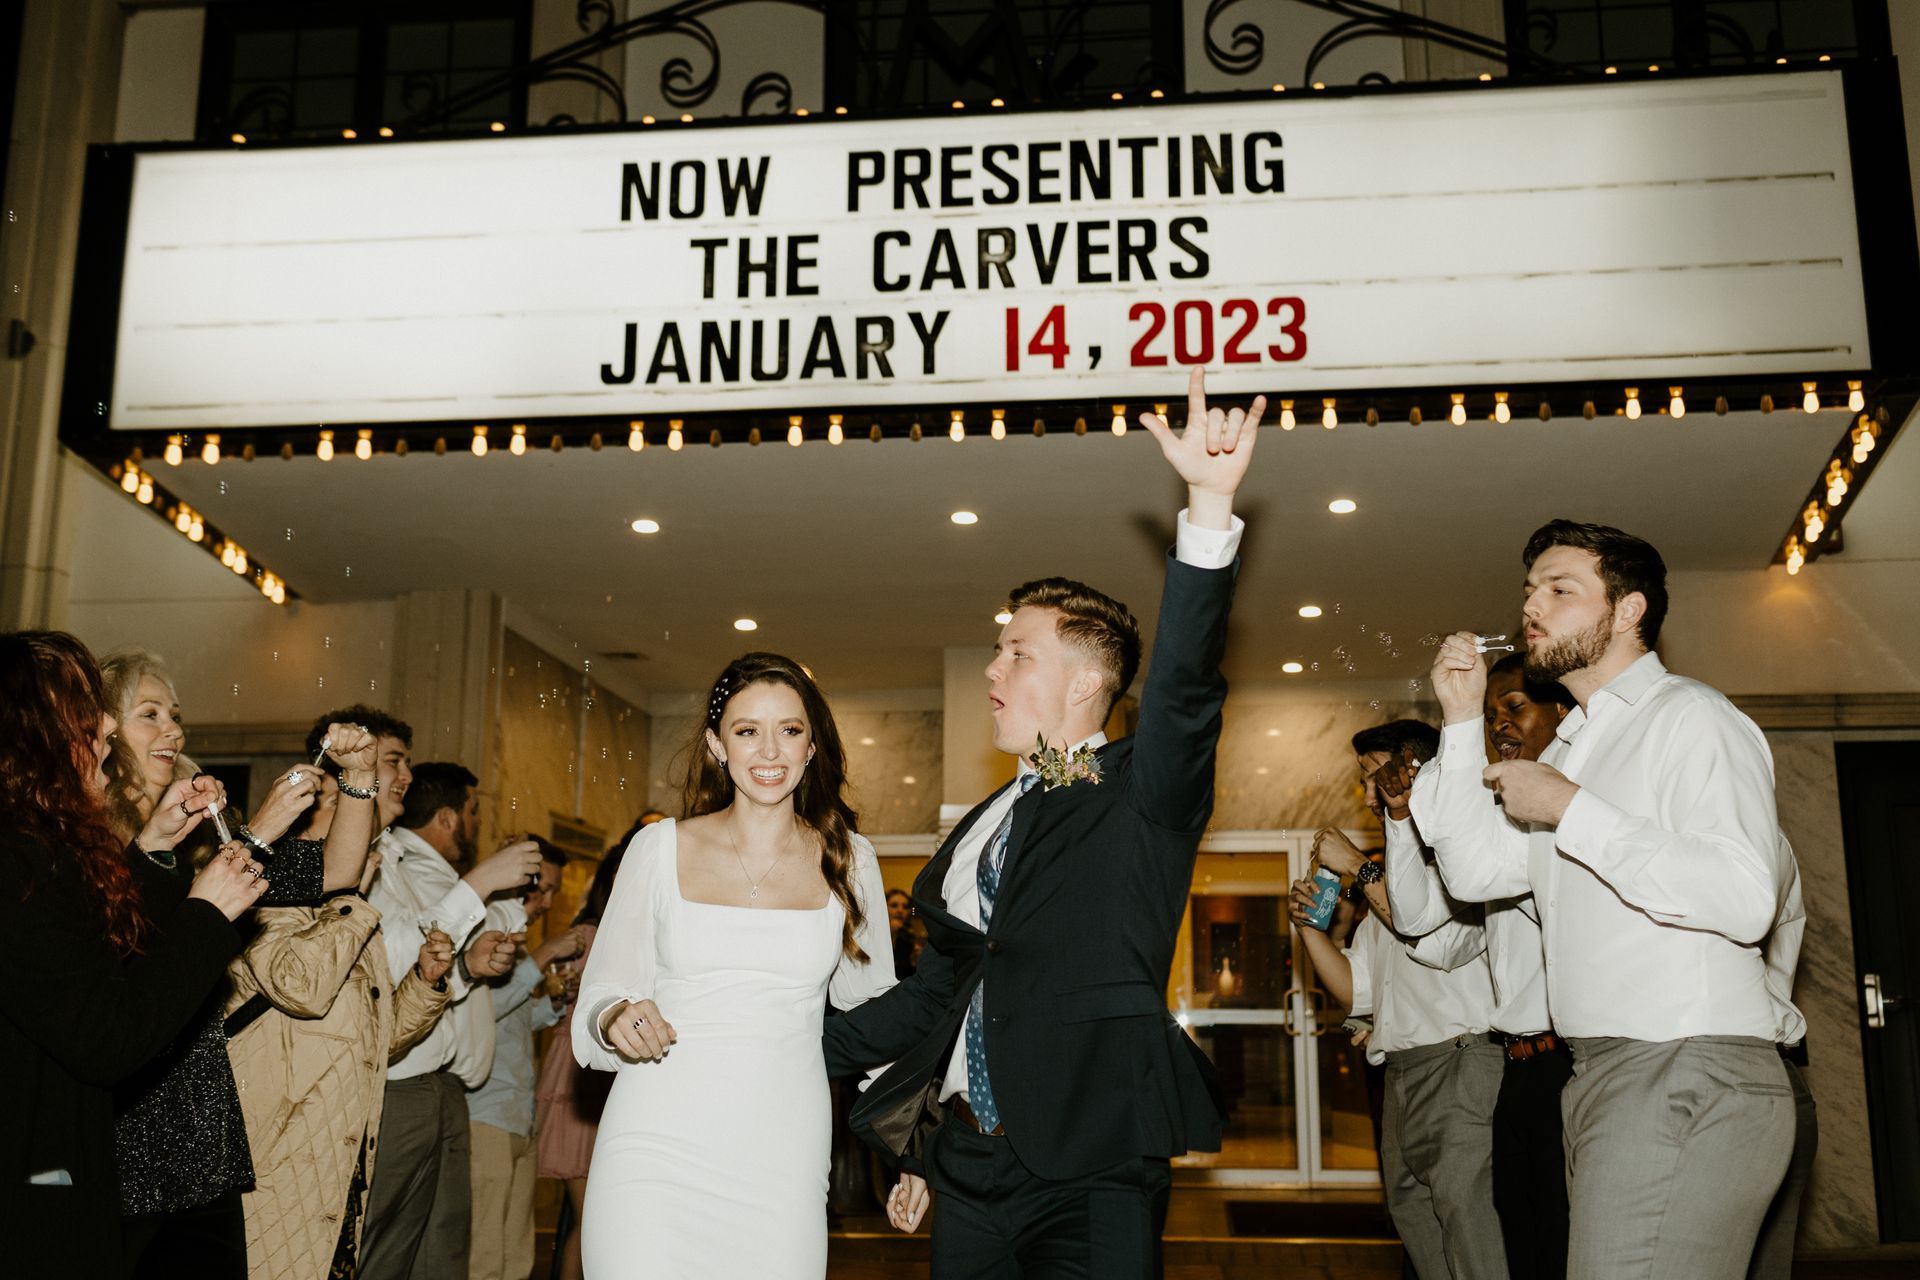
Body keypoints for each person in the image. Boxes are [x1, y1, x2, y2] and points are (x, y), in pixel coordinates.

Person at [820, 370, 1256, 1278]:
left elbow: (1184, 690)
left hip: (1093, 1166)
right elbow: (938, 996)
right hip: (965, 1163)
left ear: (1088, 681)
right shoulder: (984, 826)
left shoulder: (1143, 791)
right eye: (996, 651)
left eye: (1017, 653)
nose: (993, 670)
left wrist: (1208, 507)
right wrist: (776, 1033)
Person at [1416, 519, 1800, 1280]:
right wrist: (1459, 722)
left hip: (1686, 1061)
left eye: (1560, 589)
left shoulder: (1690, 715)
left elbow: (1744, 895)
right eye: (1530, 590)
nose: (1533, 606)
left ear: (1629, 610)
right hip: (1598, 1070)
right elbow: (1475, 874)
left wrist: (1570, 809)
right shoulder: (1570, 746)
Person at [572, 652, 895, 1279]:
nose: (769, 751)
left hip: (781, 1151)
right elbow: (601, 993)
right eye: (747, 730)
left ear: (812, 746)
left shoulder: (850, 860)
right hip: (653, 1142)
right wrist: (615, 1016)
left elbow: (877, 1013)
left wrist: (911, 1145)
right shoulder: (658, 847)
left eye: (790, 730)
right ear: (718, 746)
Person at [0, 631, 268, 1278]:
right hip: (30, 1192)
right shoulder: (14, 862)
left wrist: (154, 848)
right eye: (86, 712)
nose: (108, 728)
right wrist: (206, 914)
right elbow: (106, 1033)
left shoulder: (36, 847)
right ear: (34, 734)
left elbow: (92, 952)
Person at [100, 650, 375, 1279]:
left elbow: (337, 871)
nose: (173, 730)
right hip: (123, 1128)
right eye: (150, 714)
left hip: (203, 1130)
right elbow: (128, 949)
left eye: (175, 715)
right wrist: (262, 831)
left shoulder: (203, 837)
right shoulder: (88, 840)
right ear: (103, 729)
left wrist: (358, 780)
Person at [1374, 655, 1575, 1279]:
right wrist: (1401, 819)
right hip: (1517, 1068)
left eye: (1514, 708)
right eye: (1488, 717)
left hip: (1571, 1059)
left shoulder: (1572, 807)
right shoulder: (1495, 823)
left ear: (1563, 712)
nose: (1499, 726)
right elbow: (1421, 925)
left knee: (1565, 1246)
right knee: (1518, 1249)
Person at [224, 753, 457, 1280]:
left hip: (336, 1151)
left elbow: (376, 1040)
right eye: (336, 803)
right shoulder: (268, 894)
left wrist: (424, 984)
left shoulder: (344, 912)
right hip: (277, 1153)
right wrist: (350, 899)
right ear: (302, 823)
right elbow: (301, 987)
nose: (357, 816)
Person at [1307, 721, 1507, 1280]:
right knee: (1418, 1231)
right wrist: (1309, 930)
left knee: (1471, 1236)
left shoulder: (1459, 856)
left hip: (1459, 1064)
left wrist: (1359, 867)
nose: (1368, 795)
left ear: (1415, 775)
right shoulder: (1390, 880)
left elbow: (1439, 945)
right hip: (1400, 1073)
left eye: (1376, 777)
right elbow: (1359, 991)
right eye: (1363, 782)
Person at [359, 760, 538, 1280]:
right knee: (385, 1246)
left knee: (441, 1248)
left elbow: (486, 930)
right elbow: (407, 954)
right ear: (448, 817)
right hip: (402, 1080)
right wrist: (487, 883)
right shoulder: (402, 865)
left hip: (446, 1085)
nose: (477, 823)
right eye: (473, 811)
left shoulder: (423, 869)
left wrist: (485, 916)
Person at [467, 838, 589, 1280]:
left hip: (519, 1113)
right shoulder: (480, 927)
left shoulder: (516, 938)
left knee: (517, 1257)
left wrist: (552, 1006)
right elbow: (479, 1011)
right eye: (544, 888)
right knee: (484, 1255)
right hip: (484, 1114)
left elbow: (512, 1020)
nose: (548, 902)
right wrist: (544, 955)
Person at [537, 838, 644, 1280]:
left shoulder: (642, 936)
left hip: (621, 1076)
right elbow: (547, 988)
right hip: (580, 1072)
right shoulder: (587, 936)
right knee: (589, 1220)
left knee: (610, 1221)